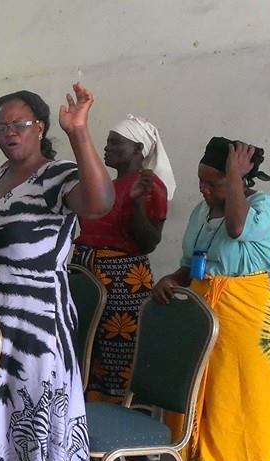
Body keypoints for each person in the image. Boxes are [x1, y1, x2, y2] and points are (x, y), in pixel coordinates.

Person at [0, 84, 113, 461]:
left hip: (35, 326)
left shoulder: (59, 176)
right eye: (1, 126)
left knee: (34, 417)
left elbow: (100, 203)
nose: (10, 132)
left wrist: (79, 133)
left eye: (20, 124)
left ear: (41, 128)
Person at [153, 137, 270, 461]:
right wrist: (172, 279)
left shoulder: (264, 206)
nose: (204, 190)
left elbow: (237, 228)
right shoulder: (201, 211)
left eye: (214, 182)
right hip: (201, 310)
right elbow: (192, 262)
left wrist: (235, 177)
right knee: (197, 398)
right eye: (201, 182)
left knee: (235, 400)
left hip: (245, 314)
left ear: (240, 178)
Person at [72, 115, 172, 404]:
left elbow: (149, 241)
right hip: (86, 271)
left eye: (115, 142)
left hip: (121, 279)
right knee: (85, 348)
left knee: (115, 352)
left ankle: (113, 415)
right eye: (107, 142)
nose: (107, 148)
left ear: (138, 149)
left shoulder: (148, 185)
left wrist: (137, 203)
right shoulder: (105, 184)